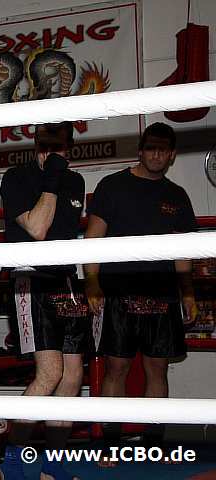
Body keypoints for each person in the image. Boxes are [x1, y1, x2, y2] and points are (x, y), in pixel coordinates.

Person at [84, 122, 197, 462]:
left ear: (172, 155)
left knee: (157, 370)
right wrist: (91, 282)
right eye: (151, 148)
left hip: (162, 294)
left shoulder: (176, 196)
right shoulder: (113, 186)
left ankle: (155, 445)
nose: (157, 154)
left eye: (163, 149)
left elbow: (182, 252)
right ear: (141, 149)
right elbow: (93, 238)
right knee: (116, 369)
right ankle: (108, 446)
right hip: (119, 291)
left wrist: (188, 293)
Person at [0, 122, 88, 480]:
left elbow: (66, 233)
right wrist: (51, 176)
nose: (53, 153)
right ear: (36, 145)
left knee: (72, 375)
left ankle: (54, 466)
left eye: (60, 147)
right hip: (31, 278)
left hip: (66, 280)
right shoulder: (17, 177)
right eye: (47, 145)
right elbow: (37, 228)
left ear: (69, 147)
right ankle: (14, 464)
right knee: (49, 373)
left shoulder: (77, 182)